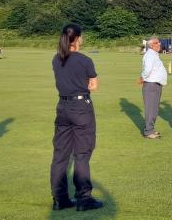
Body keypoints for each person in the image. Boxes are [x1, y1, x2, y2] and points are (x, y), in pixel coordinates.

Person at [49, 24, 104, 212]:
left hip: (62, 107)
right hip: (81, 107)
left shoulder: (57, 59)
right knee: (82, 154)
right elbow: (94, 86)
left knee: (59, 156)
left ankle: (60, 199)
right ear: (78, 38)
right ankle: (84, 198)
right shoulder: (84, 60)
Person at [140, 37, 168, 139]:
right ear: (151, 45)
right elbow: (147, 70)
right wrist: (142, 77)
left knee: (154, 109)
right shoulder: (150, 55)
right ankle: (148, 131)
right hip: (151, 85)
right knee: (151, 109)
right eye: (157, 43)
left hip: (155, 85)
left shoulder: (153, 55)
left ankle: (150, 129)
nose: (159, 44)